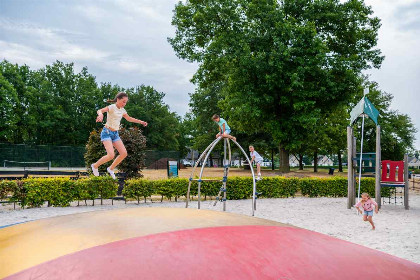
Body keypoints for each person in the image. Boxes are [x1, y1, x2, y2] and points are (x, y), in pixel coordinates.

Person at [91, 92, 147, 179]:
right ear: (118, 99)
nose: (124, 104)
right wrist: (101, 115)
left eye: (126, 102)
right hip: (107, 133)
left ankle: (111, 168)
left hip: (115, 134)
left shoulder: (122, 110)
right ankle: (95, 166)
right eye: (123, 101)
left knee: (124, 153)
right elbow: (100, 110)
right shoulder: (112, 107)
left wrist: (141, 122)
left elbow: (129, 118)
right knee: (111, 155)